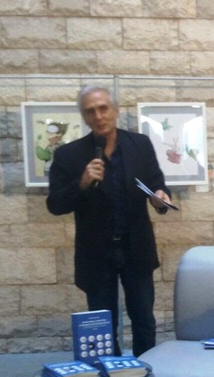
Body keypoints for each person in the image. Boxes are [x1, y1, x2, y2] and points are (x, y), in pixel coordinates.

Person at [46, 85, 176, 357]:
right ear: (84, 117)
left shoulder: (139, 145)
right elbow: (55, 205)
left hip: (136, 247)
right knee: (101, 326)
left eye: (103, 108)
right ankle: (109, 375)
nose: (98, 116)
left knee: (144, 319)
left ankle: (144, 371)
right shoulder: (68, 155)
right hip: (95, 253)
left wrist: (160, 197)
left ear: (115, 110)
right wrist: (82, 183)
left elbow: (156, 183)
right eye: (90, 111)